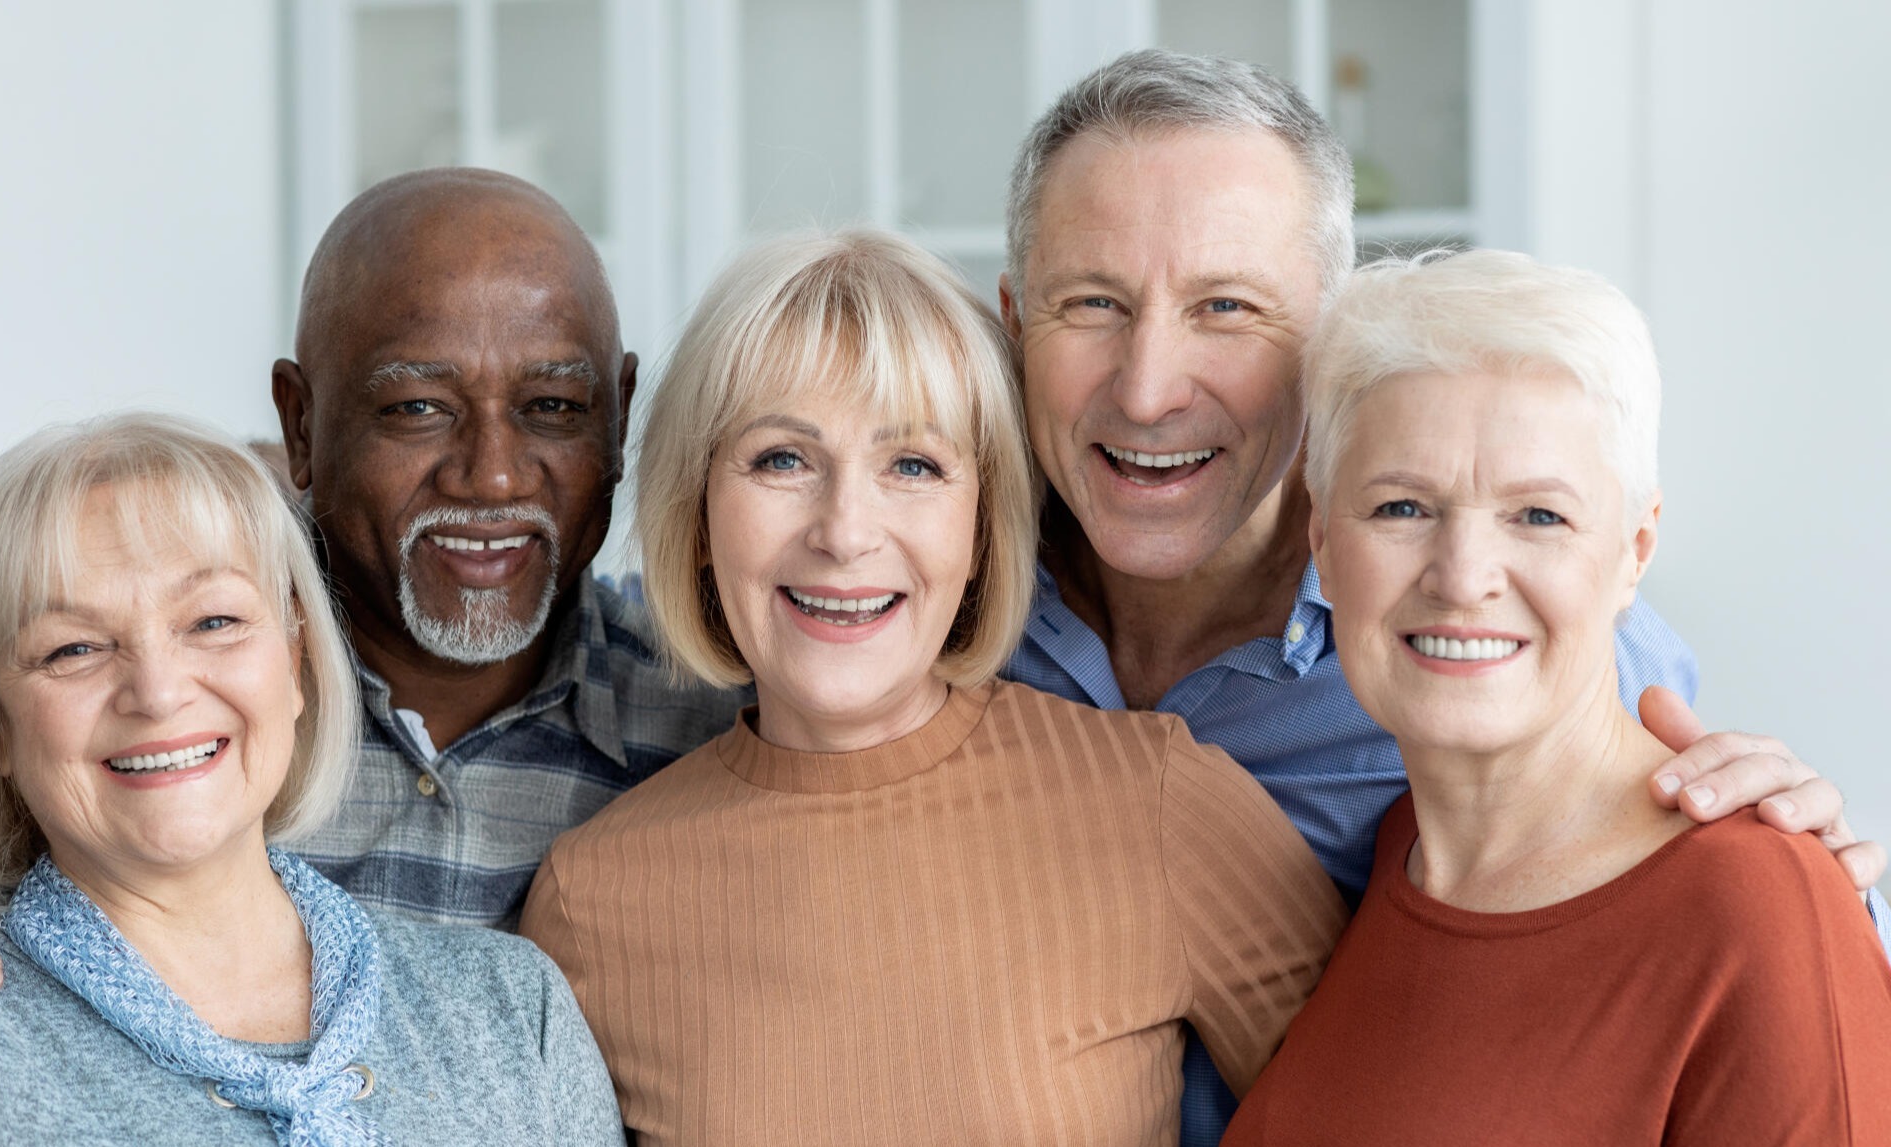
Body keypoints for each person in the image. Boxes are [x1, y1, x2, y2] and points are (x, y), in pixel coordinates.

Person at [992, 49, 1891, 1141]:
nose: (1146, 388)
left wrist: (1816, 885)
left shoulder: (1501, 651)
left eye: (1225, 307)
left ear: (1320, 335)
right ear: (1013, 324)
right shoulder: (927, 612)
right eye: (1091, 303)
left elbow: (1735, 941)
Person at [521, 229, 1349, 1146]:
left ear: (982, 525)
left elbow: (1393, 1107)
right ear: (701, 513)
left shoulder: (1160, 801)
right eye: (781, 460)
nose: (844, 532)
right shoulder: (590, 897)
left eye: (913, 466)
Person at [0, 169, 747, 990]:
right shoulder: (177, 703)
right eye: (417, 407)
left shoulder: (717, 727)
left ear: (621, 415)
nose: (492, 476)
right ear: (301, 423)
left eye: (552, 408)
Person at [1222, 249, 1891, 1143]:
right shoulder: (1396, 854)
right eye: (1401, 508)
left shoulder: (1756, 907)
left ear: (1635, 551)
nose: (1463, 579)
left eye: (1539, 516)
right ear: (1323, 541)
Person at [0, 414, 624, 1144]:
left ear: (296, 656)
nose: (158, 691)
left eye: (212, 620)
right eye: (72, 648)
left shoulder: (514, 1008)